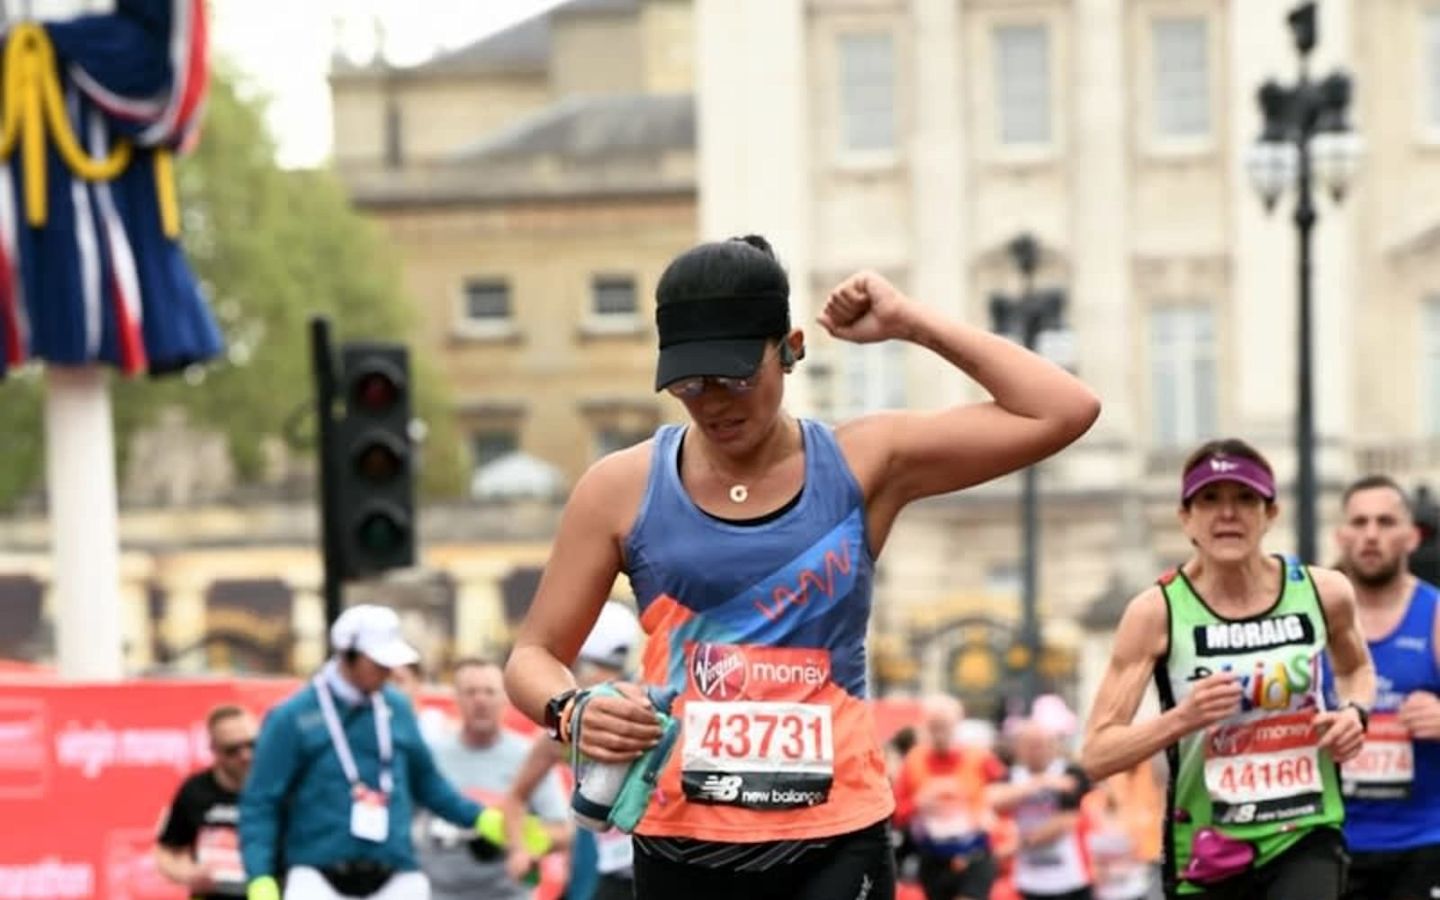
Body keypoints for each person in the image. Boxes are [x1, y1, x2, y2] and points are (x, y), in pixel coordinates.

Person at [502, 235, 1101, 900]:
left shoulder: (864, 462)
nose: (713, 403)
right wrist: (570, 710)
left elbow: (1064, 408)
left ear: (790, 349)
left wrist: (910, 322)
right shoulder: (620, 486)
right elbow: (534, 653)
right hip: (683, 837)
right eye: (688, 383)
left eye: (735, 378)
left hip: (836, 837)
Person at [1080, 438, 1376, 900]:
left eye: (1245, 499)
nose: (1228, 514)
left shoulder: (1324, 592)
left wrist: (1355, 714)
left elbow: (1357, 670)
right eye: (1210, 499)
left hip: (1304, 829)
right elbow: (1097, 754)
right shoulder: (1157, 612)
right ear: (1185, 517)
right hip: (1207, 848)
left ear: (1270, 513)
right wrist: (1183, 718)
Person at [239, 605, 498, 900]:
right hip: (318, 878)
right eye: (378, 662)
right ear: (348, 655)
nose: (388, 671)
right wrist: (259, 876)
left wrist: (481, 818)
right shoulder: (292, 716)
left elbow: (428, 783)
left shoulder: (397, 708)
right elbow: (261, 802)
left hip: (396, 874)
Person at [1330, 476, 1440, 900]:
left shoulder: (1432, 615)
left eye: (1385, 521)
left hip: (1423, 842)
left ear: (1411, 536)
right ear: (1342, 536)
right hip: (1331, 842)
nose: (1371, 534)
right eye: (1359, 522)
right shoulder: (1314, 621)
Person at [499, 600, 644, 900]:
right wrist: (518, 850)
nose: (601, 683)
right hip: (602, 870)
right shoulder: (568, 728)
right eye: (591, 671)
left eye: (612, 673)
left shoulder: (651, 708)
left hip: (658, 864)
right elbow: (515, 797)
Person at [419, 657, 571, 900]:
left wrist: (514, 837)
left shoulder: (528, 757)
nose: (480, 700)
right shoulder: (430, 755)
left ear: (505, 700)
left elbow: (563, 832)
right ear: (455, 699)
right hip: (438, 893)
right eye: (471, 692)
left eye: (489, 692)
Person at [891, 695, 1005, 900]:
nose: (939, 733)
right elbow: (897, 814)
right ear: (924, 726)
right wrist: (919, 803)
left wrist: (986, 808)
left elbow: (1006, 793)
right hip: (932, 856)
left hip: (974, 853)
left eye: (945, 725)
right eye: (934, 726)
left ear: (958, 724)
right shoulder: (913, 761)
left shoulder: (979, 758)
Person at [154, 705, 258, 899]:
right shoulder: (195, 791)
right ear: (214, 749)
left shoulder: (279, 787)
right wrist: (189, 874)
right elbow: (166, 852)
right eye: (232, 750)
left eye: (252, 744)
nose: (246, 756)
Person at [989, 719, 1093, 900]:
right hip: (1027, 879)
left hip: (1070, 876)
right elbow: (993, 800)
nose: (1035, 751)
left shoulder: (1069, 772)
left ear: (1053, 746)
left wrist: (1021, 844)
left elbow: (1066, 821)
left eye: (1040, 745)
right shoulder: (1012, 775)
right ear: (1019, 748)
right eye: (1029, 745)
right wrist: (1039, 783)